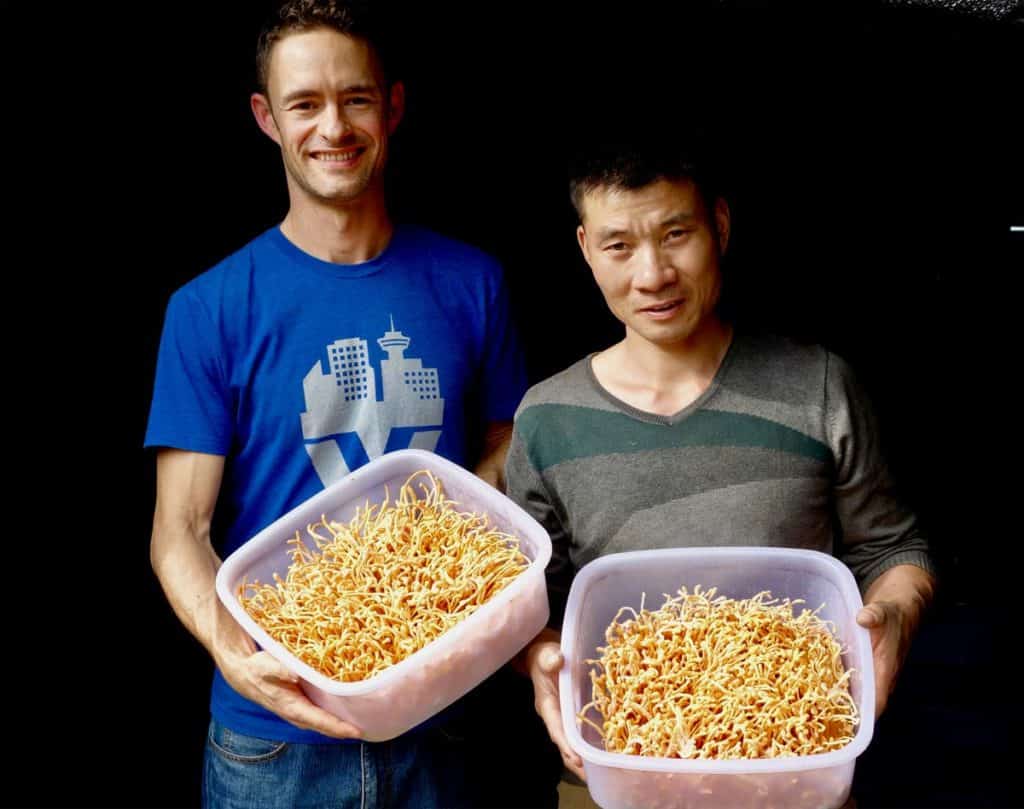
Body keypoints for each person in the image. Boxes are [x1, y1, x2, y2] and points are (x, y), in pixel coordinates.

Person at [145, 1, 556, 806]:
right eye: (304, 104)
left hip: (443, 714)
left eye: (356, 99)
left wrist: (433, 542)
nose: (332, 127)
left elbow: (513, 449)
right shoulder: (210, 307)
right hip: (276, 741)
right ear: (266, 118)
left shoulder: (473, 283)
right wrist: (235, 654)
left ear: (393, 106)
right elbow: (178, 531)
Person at [505, 138, 938, 780]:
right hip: (620, 769)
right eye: (619, 245)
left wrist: (895, 619)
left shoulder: (818, 385)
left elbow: (892, 551)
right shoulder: (546, 417)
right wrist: (539, 663)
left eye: (675, 233)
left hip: (795, 761)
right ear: (585, 250)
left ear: (721, 227)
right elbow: (525, 599)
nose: (652, 275)